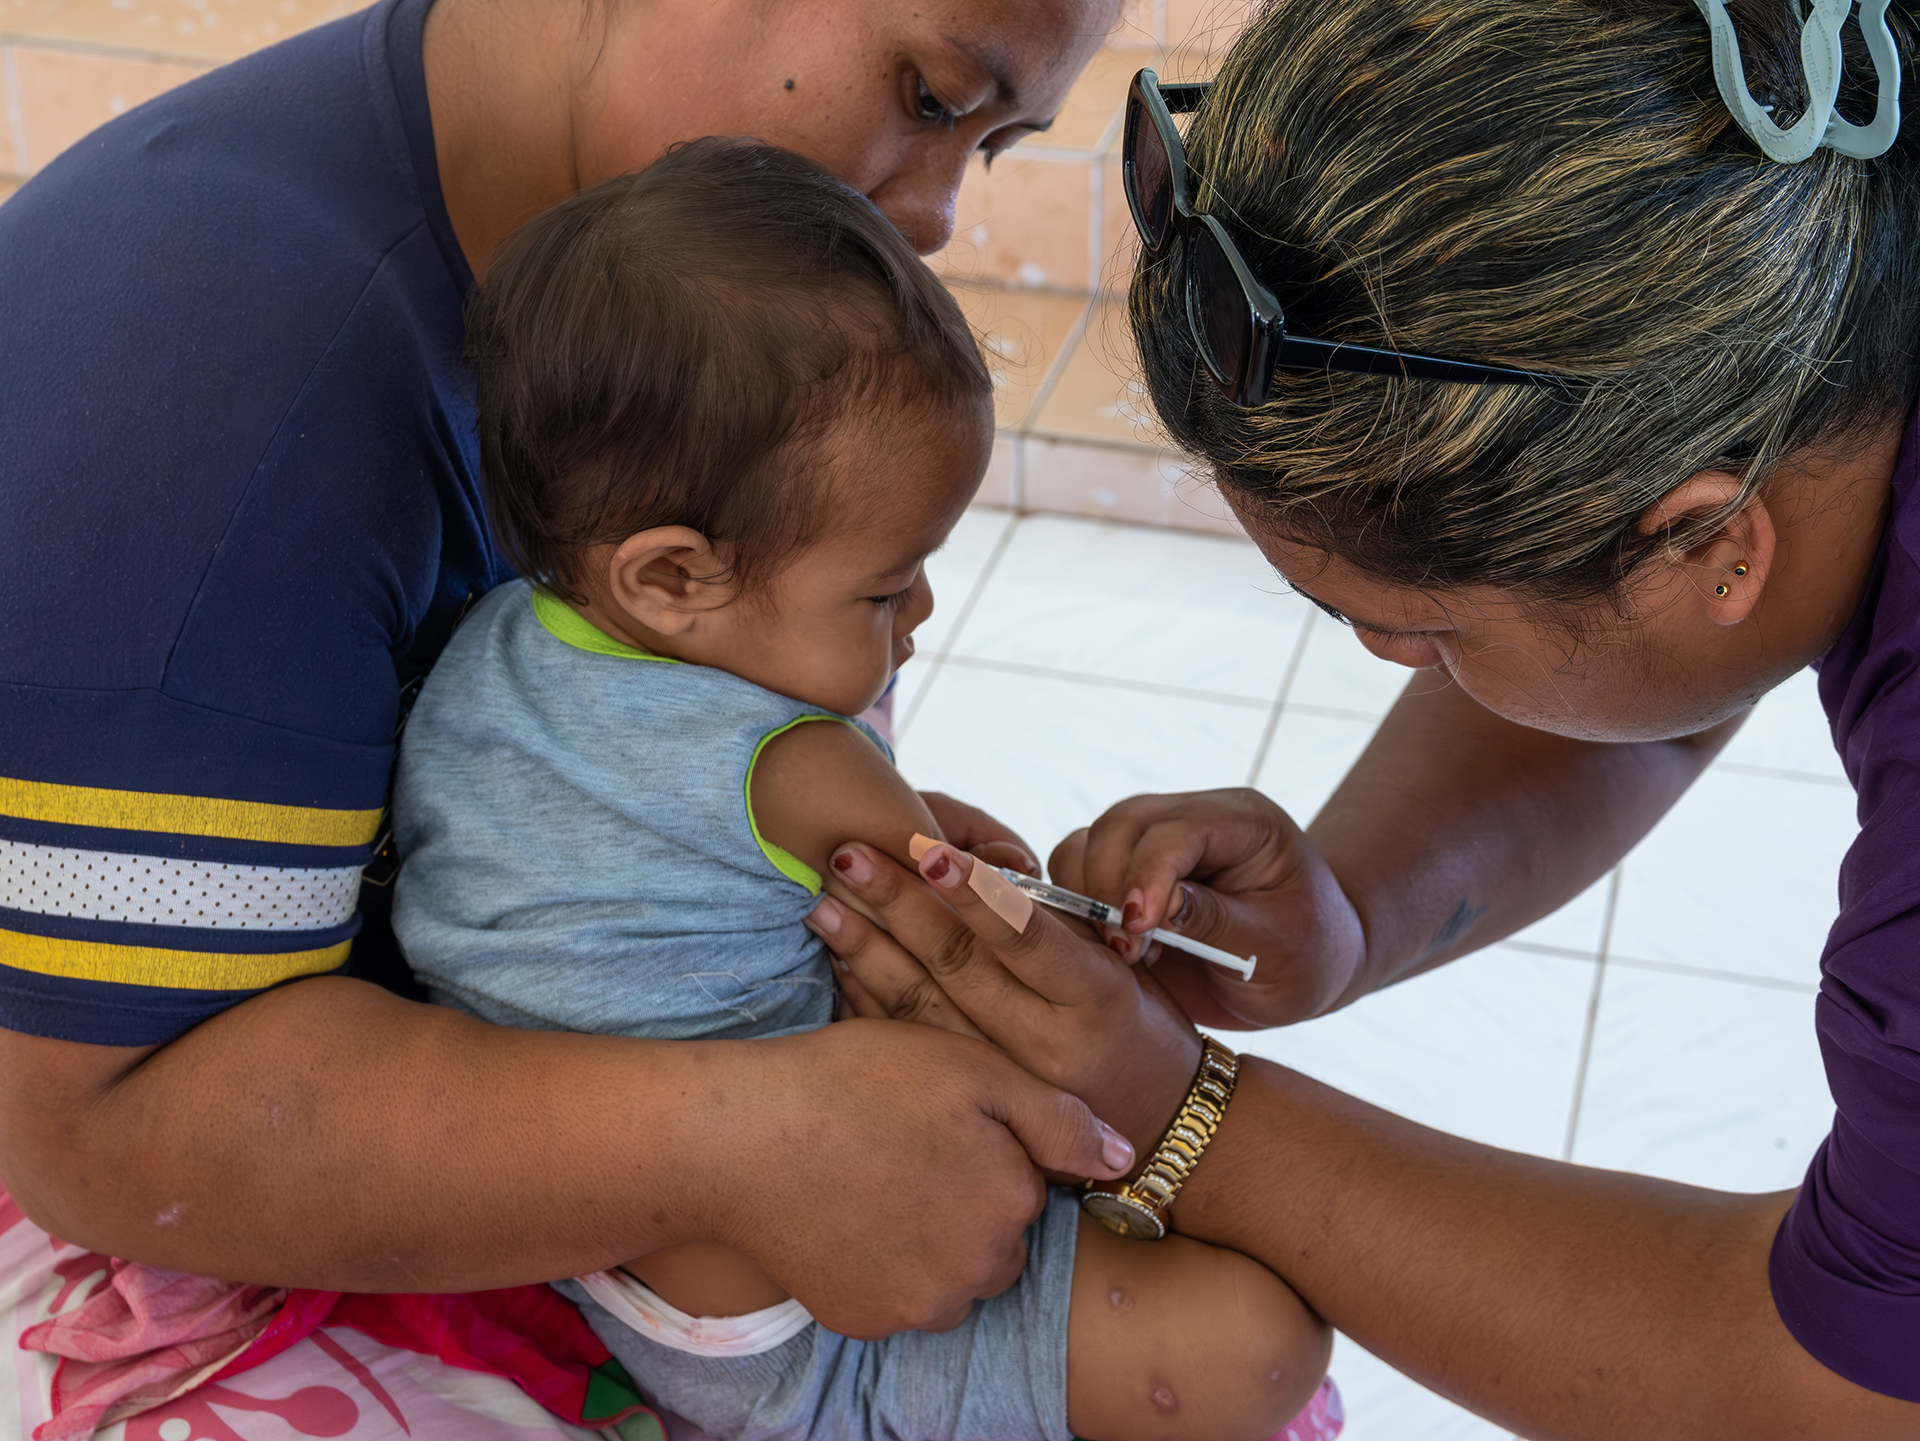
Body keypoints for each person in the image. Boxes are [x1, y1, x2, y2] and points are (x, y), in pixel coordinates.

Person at [801, 0, 1920, 1434]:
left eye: (1427, 630)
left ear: (1716, 542)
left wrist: (1179, 1111)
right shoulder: (1806, 268)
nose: (1402, 666)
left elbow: (1829, 1382)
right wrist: (1354, 910)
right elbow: (1654, 662)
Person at [0, 0, 1138, 1341]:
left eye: (994, 147)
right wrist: (748, 1137)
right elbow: (97, 1125)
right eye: (932, 96)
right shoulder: (203, 373)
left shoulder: (691, 312)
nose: (940, 213)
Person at [389, 138, 1331, 1441]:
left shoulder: (488, 649)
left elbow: (647, 830)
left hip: (596, 1247)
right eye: (886, 587)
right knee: (1264, 1339)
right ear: (669, 577)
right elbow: (1003, 959)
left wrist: (915, 824)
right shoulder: (804, 764)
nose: (927, 607)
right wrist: (1093, 925)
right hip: (814, 1291)